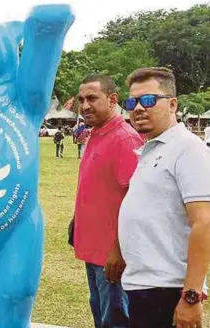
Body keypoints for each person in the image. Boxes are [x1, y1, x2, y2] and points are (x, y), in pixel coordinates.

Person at [118, 67, 210, 328]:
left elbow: (204, 223)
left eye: (148, 100)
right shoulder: (151, 149)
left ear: (172, 104)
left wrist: (191, 297)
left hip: (167, 290)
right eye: (132, 102)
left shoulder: (188, 150)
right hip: (143, 286)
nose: (138, 108)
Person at [73, 74, 144, 328]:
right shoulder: (96, 133)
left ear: (112, 99)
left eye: (92, 98)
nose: (84, 105)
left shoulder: (125, 139)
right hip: (93, 251)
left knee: (115, 321)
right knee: (102, 316)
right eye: (81, 99)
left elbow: (135, 200)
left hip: (112, 256)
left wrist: (118, 249)